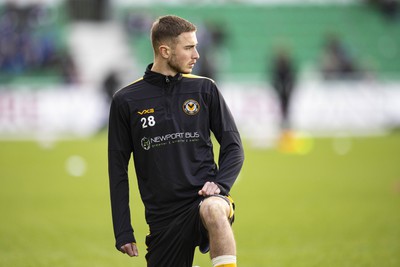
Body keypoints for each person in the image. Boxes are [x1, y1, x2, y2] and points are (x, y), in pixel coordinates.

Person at [108, 15, 244, 267]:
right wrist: (123, 229)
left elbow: (234, 146)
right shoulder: (126, 100)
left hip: (203, 200)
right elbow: (117, 170)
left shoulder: (205, 89)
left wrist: (220, 185)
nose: (197, 55)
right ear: (165, 50)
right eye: (189, 47)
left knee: (214, 209)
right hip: (163, 218)